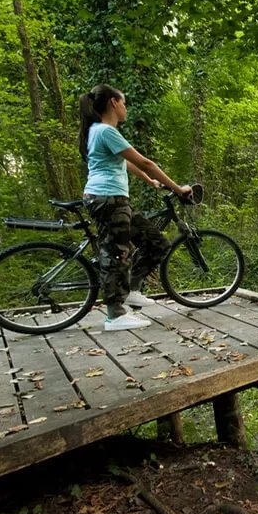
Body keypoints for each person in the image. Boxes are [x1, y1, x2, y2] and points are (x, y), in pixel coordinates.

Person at [79, 84, 192, 331]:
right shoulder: (105, 131)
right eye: (124, 103)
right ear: (113, 102)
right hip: (108, 198)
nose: (126, 108)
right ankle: (115, 315)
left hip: (113, 199)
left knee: (156, 242)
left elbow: (126, 161)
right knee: (116, 253)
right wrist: (177, 188)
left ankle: (131, 289)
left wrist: (149, 180)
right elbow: (145, 161)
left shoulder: (98, 131)